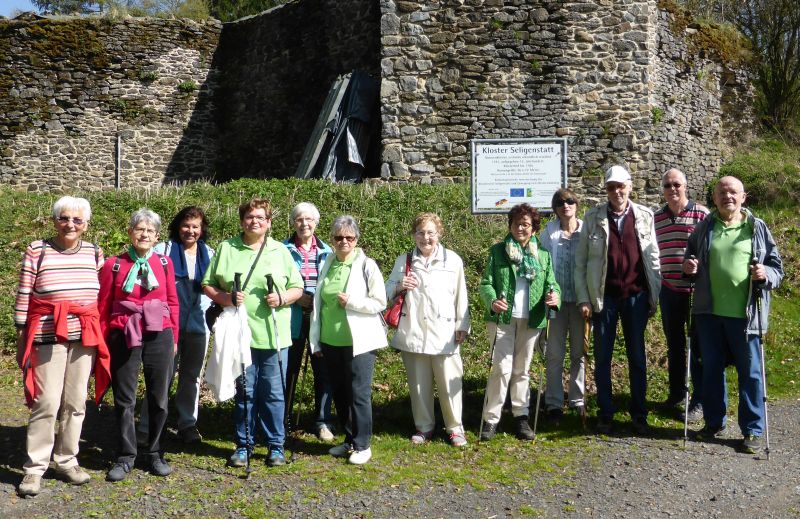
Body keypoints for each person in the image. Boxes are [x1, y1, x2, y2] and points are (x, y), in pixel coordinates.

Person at [15, 196, 110, 497]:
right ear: (54, 220)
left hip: (84, 336)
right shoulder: (37, 249)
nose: (70, 224)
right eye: (64, 218)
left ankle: (67, 460)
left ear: (86, 224)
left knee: (76, 402)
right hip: (46, 334)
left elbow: (103, 294)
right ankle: (34, 468)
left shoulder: (95, 252)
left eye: (77, 220)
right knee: (46, 402)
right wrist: (21, 330)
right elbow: (24, 291)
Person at [683, 176, 783, 454]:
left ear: (743, 197)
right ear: (714, 198)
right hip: (709, 314)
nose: (728, 196)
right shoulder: (703, 229)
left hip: (747, 316)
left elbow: (777, 269)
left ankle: (752, 429)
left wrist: (766, 275)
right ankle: (715, 422)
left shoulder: (757, 228)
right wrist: (688, 267)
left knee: (750, 374)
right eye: (722, 192)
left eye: (733, 192)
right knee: (712, 371)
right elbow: (689, 261)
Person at [202, 199, 303, 467]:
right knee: (245, 391)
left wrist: (281, 298)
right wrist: (226, 297)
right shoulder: (227, 248)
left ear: (269, 222)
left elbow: (298, 288)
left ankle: (275, 446)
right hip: (240, 333)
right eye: (249, 216)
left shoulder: (280, 251)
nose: (254, 221)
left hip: (274, 334)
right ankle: (244, 445)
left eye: (260, 217)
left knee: (273, 392)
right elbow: (208, 284)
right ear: (241, 221)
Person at [575, 165, 661, 435]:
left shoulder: (645, 215)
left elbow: (653, 257)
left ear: (630, 186)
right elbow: (581, 263)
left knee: (637, 357)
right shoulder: (593, 217)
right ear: (606, 189)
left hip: (636, 297)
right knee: (602, 358)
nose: (616, 191)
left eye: (621, 186)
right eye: (611, 186)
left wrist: (653, 295)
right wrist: (584, 298)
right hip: (604, 298)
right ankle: (605, 412)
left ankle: (638, 413)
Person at [99, 208, 180, 481]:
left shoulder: (166, 264)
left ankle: (155, 452)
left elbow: (172, 303)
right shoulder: (114, 264)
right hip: (124, 332)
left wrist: (175, 338)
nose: (144, 234)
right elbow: (103, 306)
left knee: (159, 397)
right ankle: (125, 456)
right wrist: (102, 339)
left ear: (157, 236)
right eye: (139, 229)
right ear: (130, 232)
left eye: (150, 230)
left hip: (160, 333)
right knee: (125, 399)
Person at [385, 213, 471, 447]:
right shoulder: (404, 260)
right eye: (421, 233)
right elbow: (385, 292)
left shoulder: (452, 260)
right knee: (419, 385)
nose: (426, 238)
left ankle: (455, 429)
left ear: (439, 234)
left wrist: (462, 324)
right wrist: (400, 285)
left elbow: (461, 294)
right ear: (414, 235)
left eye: (430, 233)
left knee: (449, 383)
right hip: (413, 331)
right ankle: (424, 427)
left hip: (445, 333)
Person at [478, 203, 560, 441]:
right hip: (503, 318)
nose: (520, 228)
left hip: (532, 318)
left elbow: (551, 284)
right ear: (510, 226)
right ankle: (490, 419)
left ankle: (521, 417)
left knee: (522, 370)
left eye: (525, 224)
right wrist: (493, 301)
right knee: (501, 370)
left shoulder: (543, 255)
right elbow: (486, 284)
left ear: (534, 228)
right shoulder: (498, 251)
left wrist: (555, 296)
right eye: (516, 224)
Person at [309, 215, 387, 465]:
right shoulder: (328, 263)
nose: (344, 241)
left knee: (359, 393)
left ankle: (363, 445)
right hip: (330, 340)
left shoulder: (367, 265)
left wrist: (352, 302)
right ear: (332, 239)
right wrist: (317, 340)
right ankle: (350, 440)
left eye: (349, 237)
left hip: (359, 341)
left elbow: (379, 302)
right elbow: (319, 304)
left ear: (356, 239)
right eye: (338, 237)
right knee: (341, 393)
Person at [138, 206, 214, 444]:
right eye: (186, 225)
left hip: (198, 325)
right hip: (168, 324)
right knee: (162, 375)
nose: (190, 231)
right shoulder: (163, 250)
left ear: (202, 230)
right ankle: (146, 426)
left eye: (195, 227)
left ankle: (187, 424)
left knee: (192, 376)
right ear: (177, 227)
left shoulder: (210, 254)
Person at [654, 168, 709, 422]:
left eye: (677, 184)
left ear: (686, 186)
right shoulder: (656, 218)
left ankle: (699, 401)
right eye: (668, 186)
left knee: (697, 347)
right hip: (670, 290)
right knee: (674, 346)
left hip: (697, 291)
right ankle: (677, 395)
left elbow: (712, 252)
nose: (672, 189)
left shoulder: (702, 215)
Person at [282, 202, 335, 442]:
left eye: (309, 220)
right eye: (299, 220)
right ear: (293, 223)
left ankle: (323, 421)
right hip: (291, 316)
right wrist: (297, 298)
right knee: (289, 369)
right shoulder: (281, 250)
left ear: (316, 223)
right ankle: (283, 419)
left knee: (323, 370)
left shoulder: (328, 252)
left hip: (320, 317)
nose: (304, 224)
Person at [540, 189, 585, 424]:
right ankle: (554, 402)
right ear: (555, 208)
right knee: (555, 354)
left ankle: (577, 400)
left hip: (580, 302)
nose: (565, 205)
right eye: (560, 203)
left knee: (579, 353)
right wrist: (547, 293)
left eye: (569, 201)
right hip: (555, 303)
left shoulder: (587, 231)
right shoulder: (549, 233)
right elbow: (543, 267)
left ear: (577, 204)